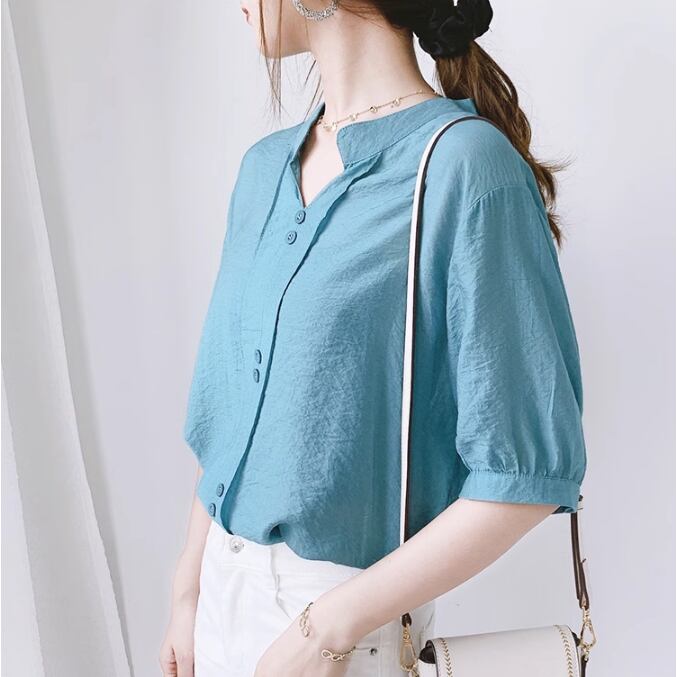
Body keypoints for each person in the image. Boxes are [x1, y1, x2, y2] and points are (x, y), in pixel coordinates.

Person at [160, 0, 588, 675]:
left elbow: (524, 477)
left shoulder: (464, 166)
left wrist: (326, 627)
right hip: (217, 601)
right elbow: (228, 423)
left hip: (340, 628)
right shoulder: (262, 169)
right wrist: (189, 588)